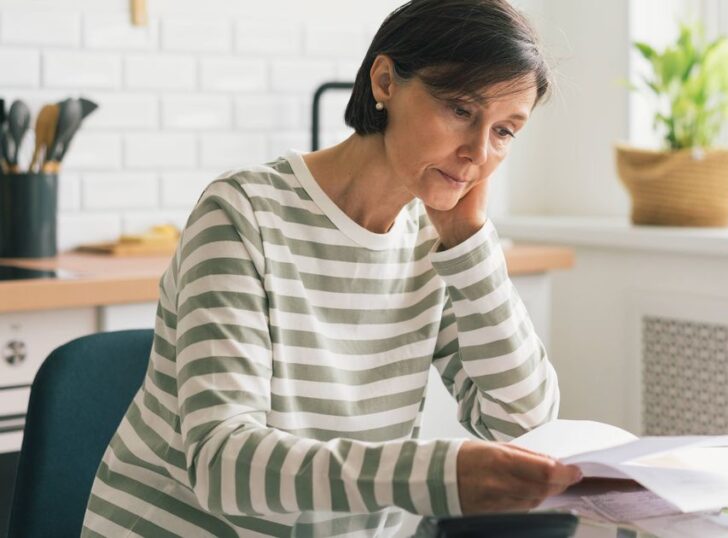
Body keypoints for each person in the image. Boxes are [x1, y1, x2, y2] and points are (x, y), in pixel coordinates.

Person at [81, 1, 581, 536]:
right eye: (461, 110)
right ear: (385, 81)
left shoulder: (438, 242)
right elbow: (222, 466)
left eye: (504, 131)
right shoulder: (243, 212)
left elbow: (524, 425)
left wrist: (469, 245)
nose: (478, 153)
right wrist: (434, 473)